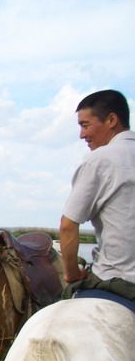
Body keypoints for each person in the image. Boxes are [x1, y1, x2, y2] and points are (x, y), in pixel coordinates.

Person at [60, 89, 135, 305]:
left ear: (111, 120)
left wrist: (72, 275)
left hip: (119, 279)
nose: (82, 135)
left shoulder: (100, 160)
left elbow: (68, 226)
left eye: (85, 125)